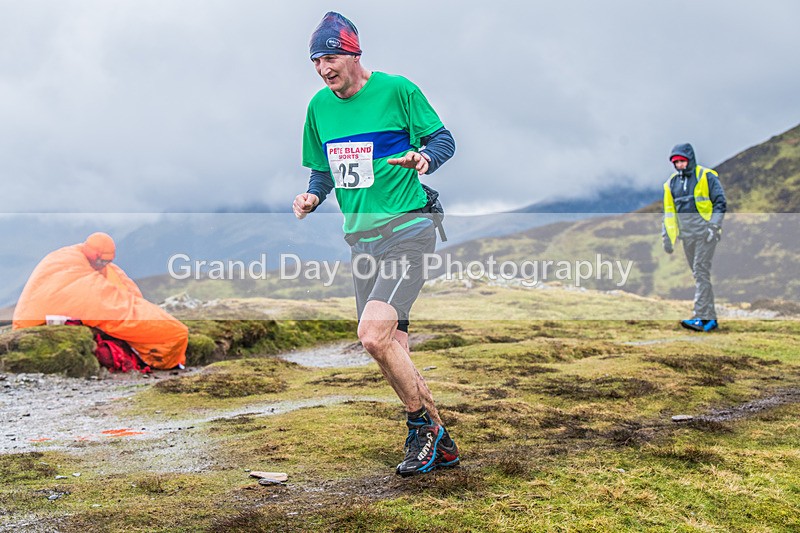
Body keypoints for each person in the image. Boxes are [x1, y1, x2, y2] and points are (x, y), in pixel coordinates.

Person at [293, 12, 459, 477]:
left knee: (372, 335)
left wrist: (424, 158)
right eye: (316, 61)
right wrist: (313, 196)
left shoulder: (396, 90)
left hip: (409, 230)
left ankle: (420, 429)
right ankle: (441, 442)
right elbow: (323, 169)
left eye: (330, 58)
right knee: (392, 346)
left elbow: (443, 139)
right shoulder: (318, 108)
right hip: (362, 243)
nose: (324, 68)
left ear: (353, 54)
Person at [13, 232, 188, 369]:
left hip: (30, 322)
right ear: (94, 255)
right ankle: (164, 342)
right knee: (170, 331)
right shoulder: (68, 263)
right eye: (101, 261)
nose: (103, 265)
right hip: (32, 324)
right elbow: (102, 302)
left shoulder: (88, 263)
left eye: (106, 262)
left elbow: (127, 295)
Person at [662, 143, 727, 332]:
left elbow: (720, 203)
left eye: (682, 161)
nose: (679, 165)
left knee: (700, 272)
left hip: (706, 235)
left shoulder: (706, 176)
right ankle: (710, 320)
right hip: (687, 237)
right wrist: (667, 238)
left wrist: (714, 226)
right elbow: (668, 213)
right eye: (676, 162)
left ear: (690, 160)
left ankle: (699, 317)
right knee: (700, 276)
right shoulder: (671, 184)